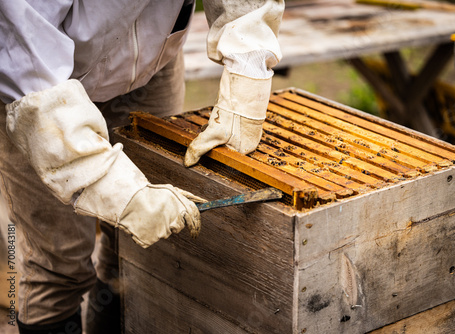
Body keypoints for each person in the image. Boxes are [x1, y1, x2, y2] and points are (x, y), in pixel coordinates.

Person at [0, 0, 284, 333]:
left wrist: (246, 80)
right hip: (40, 88)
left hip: (153, 63)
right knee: (58, 265)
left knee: (133, 251)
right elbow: (23, 51)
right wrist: (121, 193)